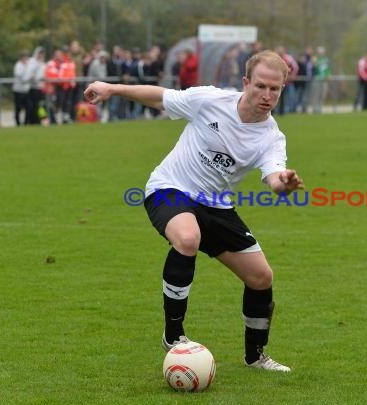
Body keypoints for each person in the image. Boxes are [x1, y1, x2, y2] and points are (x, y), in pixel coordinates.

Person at [84, 50, 304, 372]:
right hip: (168, 188)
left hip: (215, 204)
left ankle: (255, 356)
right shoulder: (210, 101)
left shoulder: (271, 136)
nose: (267, 95)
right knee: (188, 238)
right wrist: (113, 89)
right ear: (245, 83)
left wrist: (283, 184)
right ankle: (173, 336)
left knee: (261, 277)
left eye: (275, 89)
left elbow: (273, 177)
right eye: (260, 86)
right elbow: (161, 97)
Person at [12, 50, 32, 126]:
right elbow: (20, 75)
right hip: (18, 90)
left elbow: (30, 74)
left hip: (26, 90)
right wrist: (27, 76)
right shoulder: (18, 65)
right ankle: (18, 123)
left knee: (28, 107)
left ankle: (26, 122)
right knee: (18, 108)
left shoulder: (29, 65)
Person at [311, 46, 330, 114]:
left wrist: (329, 74)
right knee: (316, 94)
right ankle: (315, 109)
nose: (322, 53)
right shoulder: (315, 59)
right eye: (320, 52)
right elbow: (313, 69)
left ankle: (320, 107)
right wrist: (314, 63)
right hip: (317, 79)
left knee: (323, 94)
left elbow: (328, 69)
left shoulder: (326, 60)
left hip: (324, 79)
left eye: (323, 52)